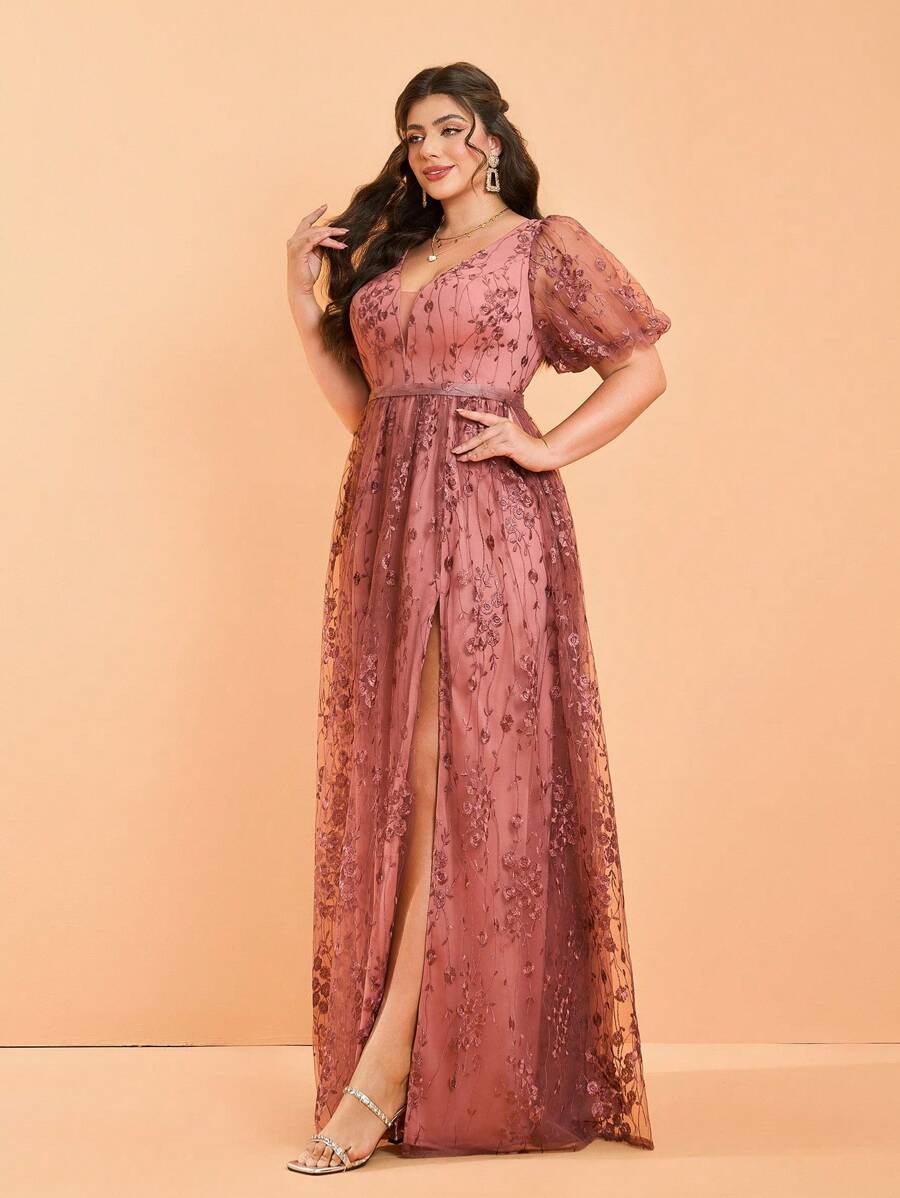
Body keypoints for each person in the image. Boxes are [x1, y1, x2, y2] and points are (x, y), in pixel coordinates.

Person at [284, 61, 671, 1174]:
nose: (432, 149)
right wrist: (299, 308)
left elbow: (642, 370)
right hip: (385, 531)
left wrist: (544, 448)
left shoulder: (543, 246)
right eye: (415, 134)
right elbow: (372, 416)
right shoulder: (396, 258)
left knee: (459, 777)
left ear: (491, 137)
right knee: (408, 789)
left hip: (489, 526)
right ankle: (425, 1058)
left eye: (451, 128)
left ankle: (381, 1077)